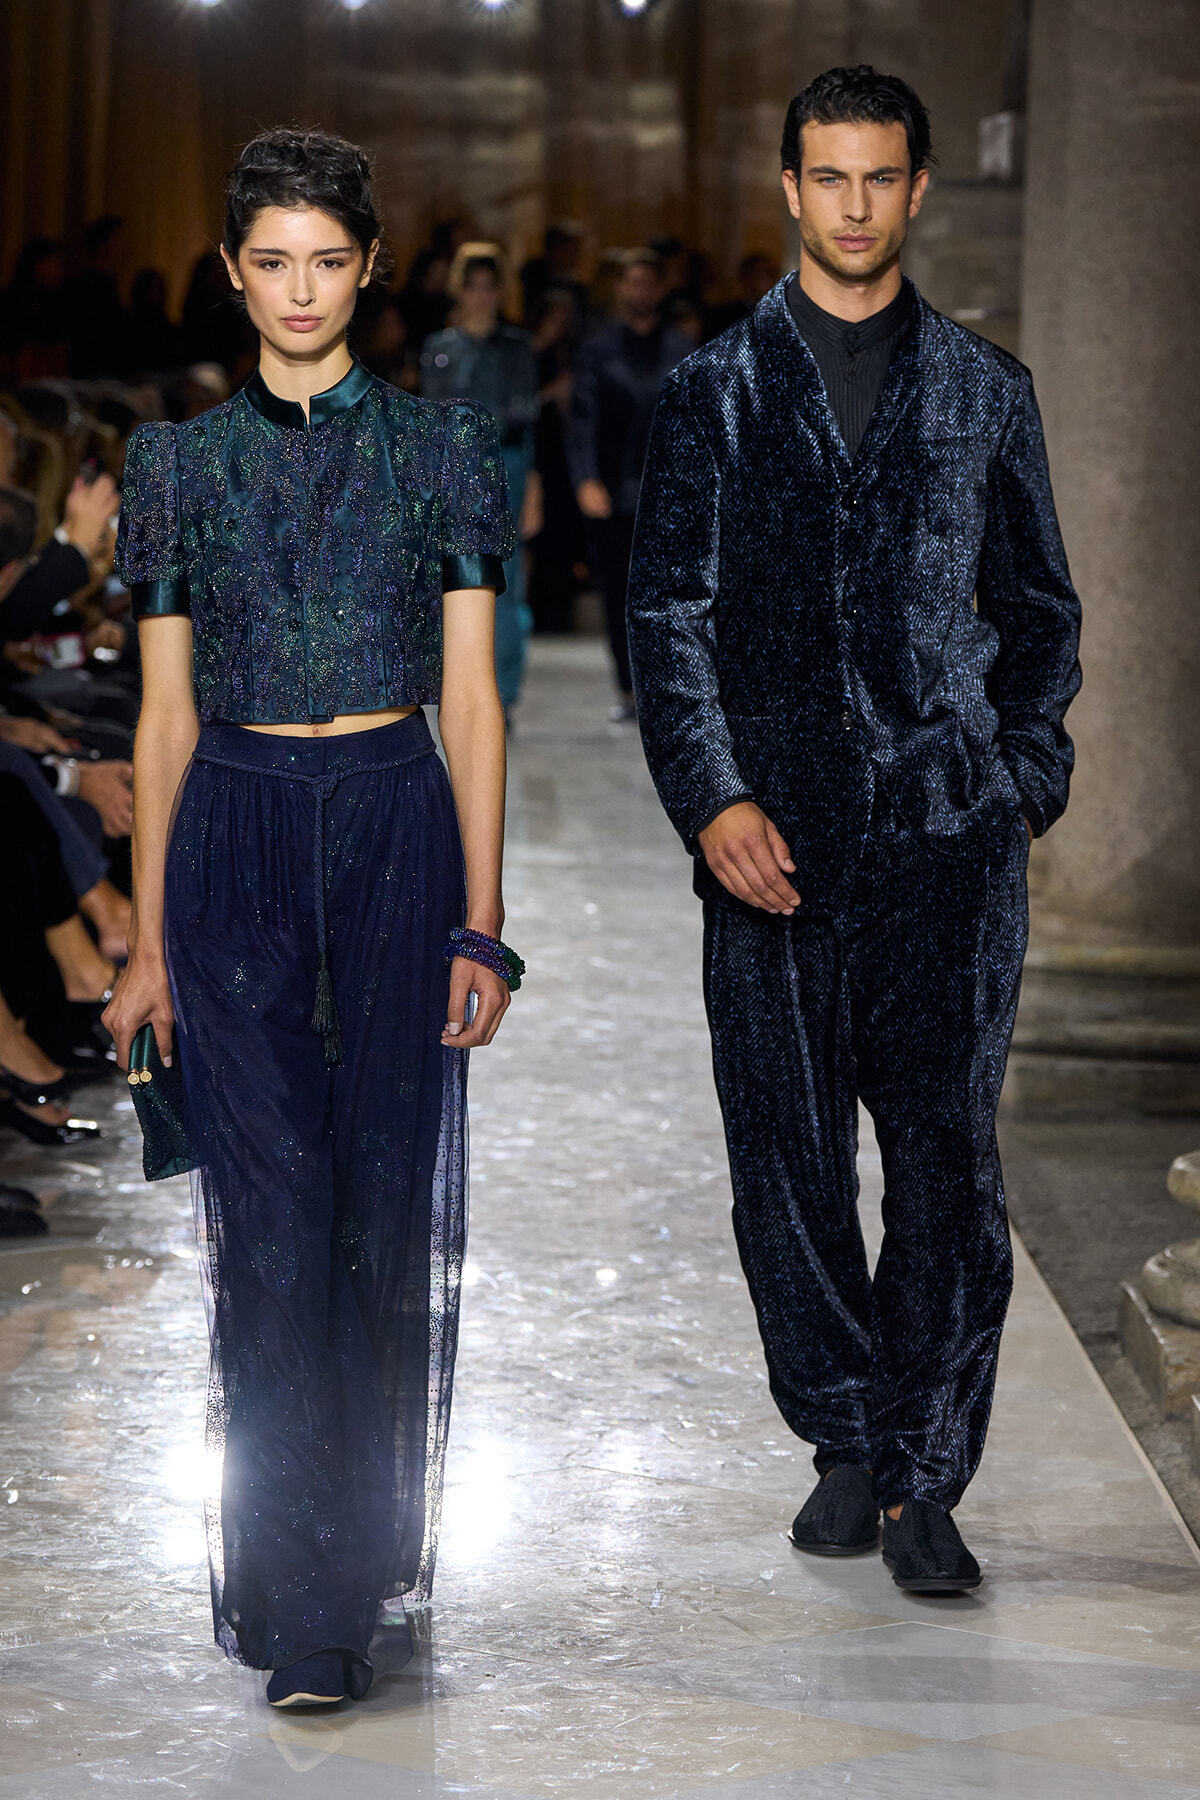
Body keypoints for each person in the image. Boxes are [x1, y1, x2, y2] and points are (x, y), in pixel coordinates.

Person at [628, 66, 1081, 1593]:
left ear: (919, 188)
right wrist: (712, 799)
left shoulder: (984, 391)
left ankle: (927, 1473)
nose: (855, 204)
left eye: (881, 177)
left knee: (949, 1162)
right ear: (790, 187)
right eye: (829, 177)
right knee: (788, 1157)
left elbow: (1039, 614)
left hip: (950, 843)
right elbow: (667, 617)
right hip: (772, 849)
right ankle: (842, 1437)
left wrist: (1021, 776)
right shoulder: (711, 393)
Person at [102, 128, 522, 1707]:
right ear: (231, 273)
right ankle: (303, 1605)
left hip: (400, 825)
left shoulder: (442, 450)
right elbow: (154, 729)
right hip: (236, 839)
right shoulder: (176, 468)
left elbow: (474, 701)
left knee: (375, 1218)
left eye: (326, 260)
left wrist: (483, 920)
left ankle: (362, 1563)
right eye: (268, 260)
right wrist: (144, 947)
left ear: (368, 270)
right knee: (267, 1232)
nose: (297, 288)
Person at [566, 250, 690, 720]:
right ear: (621, 289)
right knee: (619, 594)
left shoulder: (683, 349)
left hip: (669, 494)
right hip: (612, 493)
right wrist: (586, 480)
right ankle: (629, 690)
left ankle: (667, 689)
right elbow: (581, 419)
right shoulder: (597, 350)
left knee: (671, 596)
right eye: (631, 282)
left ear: (660, 289)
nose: (639, 292)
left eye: (647, 283)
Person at [420, 246, 540, 716]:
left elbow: (530, 422)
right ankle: (463, 685)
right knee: (455, 575)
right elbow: (431, 422)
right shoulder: (440, 349)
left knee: (508, 580)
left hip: (508, 463)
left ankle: (504, 694)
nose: (481, 297)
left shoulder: (517, 348)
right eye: (473, 287)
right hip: (454, 469)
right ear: (460, 290)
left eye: (489, 288)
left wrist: (535, 487)